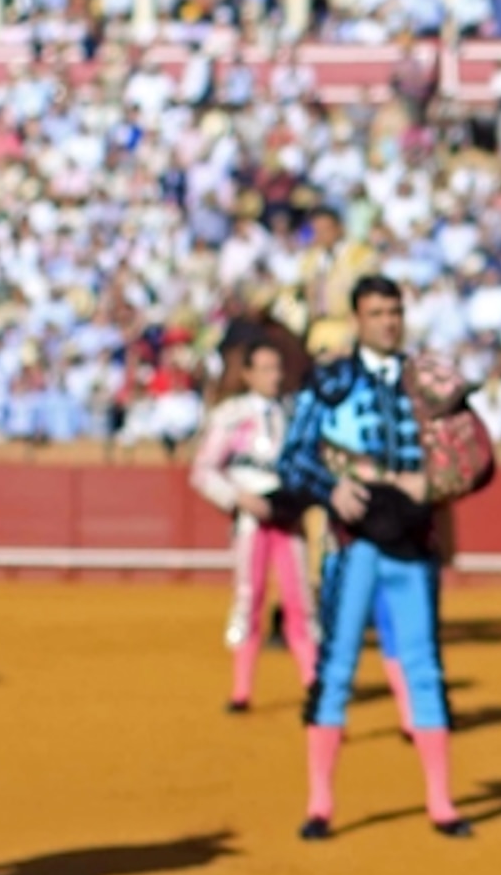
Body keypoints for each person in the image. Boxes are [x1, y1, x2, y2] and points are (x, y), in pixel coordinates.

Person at [278, 275, 473, 840]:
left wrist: (434, 485)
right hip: (353, 540)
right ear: (357, 320)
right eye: (377, 313)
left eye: (395, 311)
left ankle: (441, 803)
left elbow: (467, 457)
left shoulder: (427, 383)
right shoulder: (332, 379)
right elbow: (295, 456)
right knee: (336, 670)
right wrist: (330, 489)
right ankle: (320, 805)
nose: (389, 321)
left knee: (425, 668)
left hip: (413, 542)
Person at [189, 336, 318, 711]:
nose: (273, 377)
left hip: (288, 520)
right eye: (264, 369)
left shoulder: (294, 413)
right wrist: (238, 498)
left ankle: (314, 685)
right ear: (247, 374)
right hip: (249, 520)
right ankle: (241, 689)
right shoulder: (231, 415)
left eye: (277, 369)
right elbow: (202, 471)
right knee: (248, 599)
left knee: (301, 603)